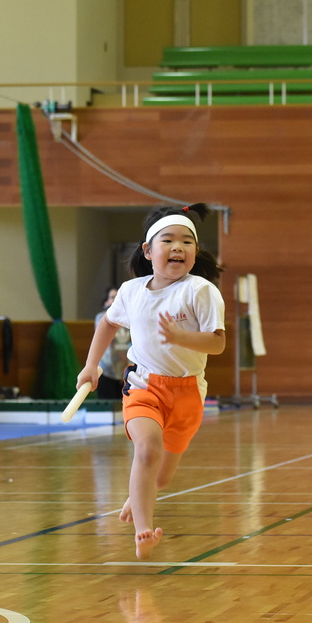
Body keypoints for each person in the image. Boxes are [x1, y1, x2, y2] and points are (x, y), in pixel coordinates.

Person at [75, 204, 225, 559]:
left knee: (160, 476)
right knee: (147, 450)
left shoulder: (201, 291)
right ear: (147, 250)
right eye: (168, 240)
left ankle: (137, 493)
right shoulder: (131, 291)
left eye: (187, 242)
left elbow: (217, 343)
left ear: (196, 252)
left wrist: (180, 337)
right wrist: (91, 365)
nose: (178, 247)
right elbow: (108, 323)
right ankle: (143, 531)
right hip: (144, 385)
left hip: (188, 393)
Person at [95, 287, 131, 399]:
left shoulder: (129, 317)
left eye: (117, 297)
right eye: (112, 297)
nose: (115, 300)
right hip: (106, 371)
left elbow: (132, 344)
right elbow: (106, 347)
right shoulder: (102, 318)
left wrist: (128, 366)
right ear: (106, 301)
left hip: (125, 371)